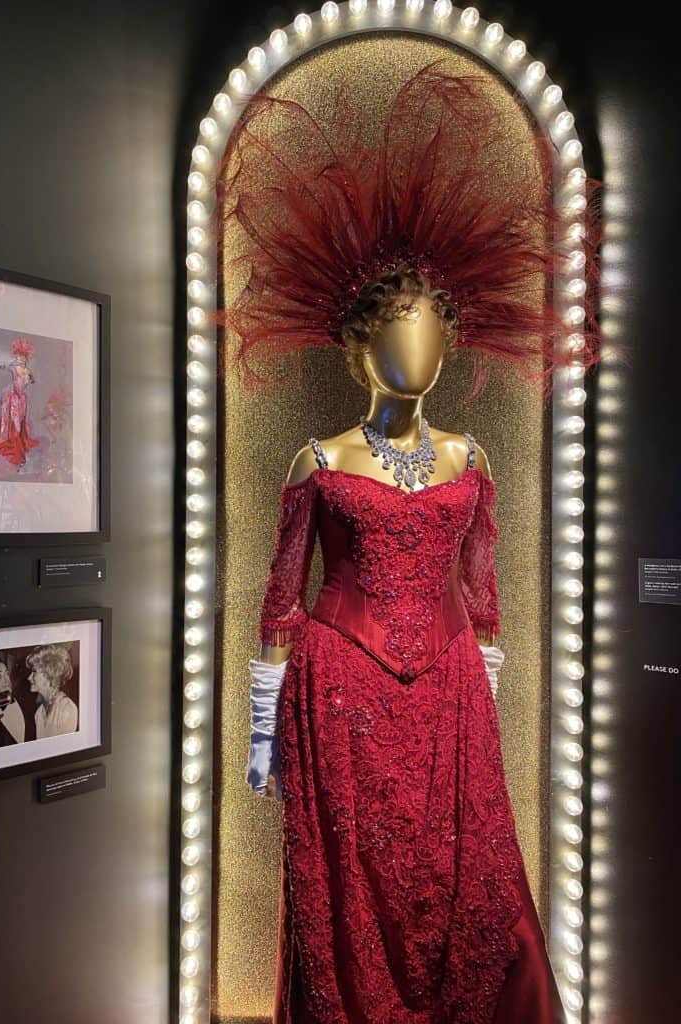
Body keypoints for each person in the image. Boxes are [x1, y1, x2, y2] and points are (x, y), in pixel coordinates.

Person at [216, 61, 602, 1024]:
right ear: (361, 347)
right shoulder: (315, 458)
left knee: (470, 889)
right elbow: (277, 603)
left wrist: (487, 693)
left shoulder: (473, 458)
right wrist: (263, 735)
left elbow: (488, 593)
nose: (415, 352)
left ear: (449, 344)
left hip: (452, 700)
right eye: (397, 333)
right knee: (354, 894)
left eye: (431, 335)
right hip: (339, 687)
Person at [0, 336, 40, 468]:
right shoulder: (13, 368)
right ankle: (18, 455)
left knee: (21, 425)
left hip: (21, 400)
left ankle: (19, 450)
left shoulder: (27, 371)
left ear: (26, 358)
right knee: (14, 425)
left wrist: (31, 379)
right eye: (17, 357)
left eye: (22, 358)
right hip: (12, 400)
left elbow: (31, 380)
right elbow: (0, 366)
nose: (19, 360)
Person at [27, 645, 78, 739]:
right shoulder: (39, 713)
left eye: (34, 672)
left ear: (49, 673)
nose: (29, 677)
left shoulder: (66, 708)